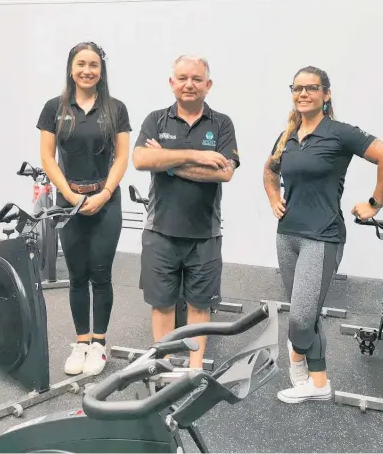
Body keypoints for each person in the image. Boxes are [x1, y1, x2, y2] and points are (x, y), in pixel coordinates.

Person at [263, 65, 383, 403]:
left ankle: (297, 358)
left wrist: (374, 203)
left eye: (311, 88)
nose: (303, 94)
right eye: (297, 88)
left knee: (300, 319)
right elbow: (269, 171)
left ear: (326, 94)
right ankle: (319, 383)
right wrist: (273, 198)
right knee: (304, 311)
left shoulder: (339, 133)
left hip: (322, 237)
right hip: (287, 235)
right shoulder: (287, 137)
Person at [132, 54, 240, 369]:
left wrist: (167, 162)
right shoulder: (156, 119)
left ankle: (195, 370)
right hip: (160, 232)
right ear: (172, 83)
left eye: (196, 79)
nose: (188, 84)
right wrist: (196, 155)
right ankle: (162, 367)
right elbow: (140, 160)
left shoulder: (222, 123)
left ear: (208, 85)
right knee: (162, 305)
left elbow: (224, 173)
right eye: (182, 78)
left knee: (199, 305)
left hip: (205, 234)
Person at [37, 41, 131, 376]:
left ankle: (99, 344)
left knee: (101, 274)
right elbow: (48, 157)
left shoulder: (116, 109)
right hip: (69, 202)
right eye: (81, 64)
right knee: (78, 276)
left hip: (106, 201)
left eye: (93, 64)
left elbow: (122, 157)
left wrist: (105, 193)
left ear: (101, 70)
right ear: (71, 67)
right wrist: (69, 195)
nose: (87, 70)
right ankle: (81, 342)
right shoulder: (54, 107)